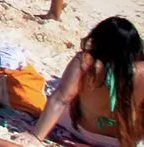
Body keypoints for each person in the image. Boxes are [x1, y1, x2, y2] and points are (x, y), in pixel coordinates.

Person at [31, 16, 142, 147]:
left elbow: (61, 98)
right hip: (121, 140)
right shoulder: (141, 71)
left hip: (81, 130)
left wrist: (36, 137)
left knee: (56, 90)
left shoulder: (85, 62)